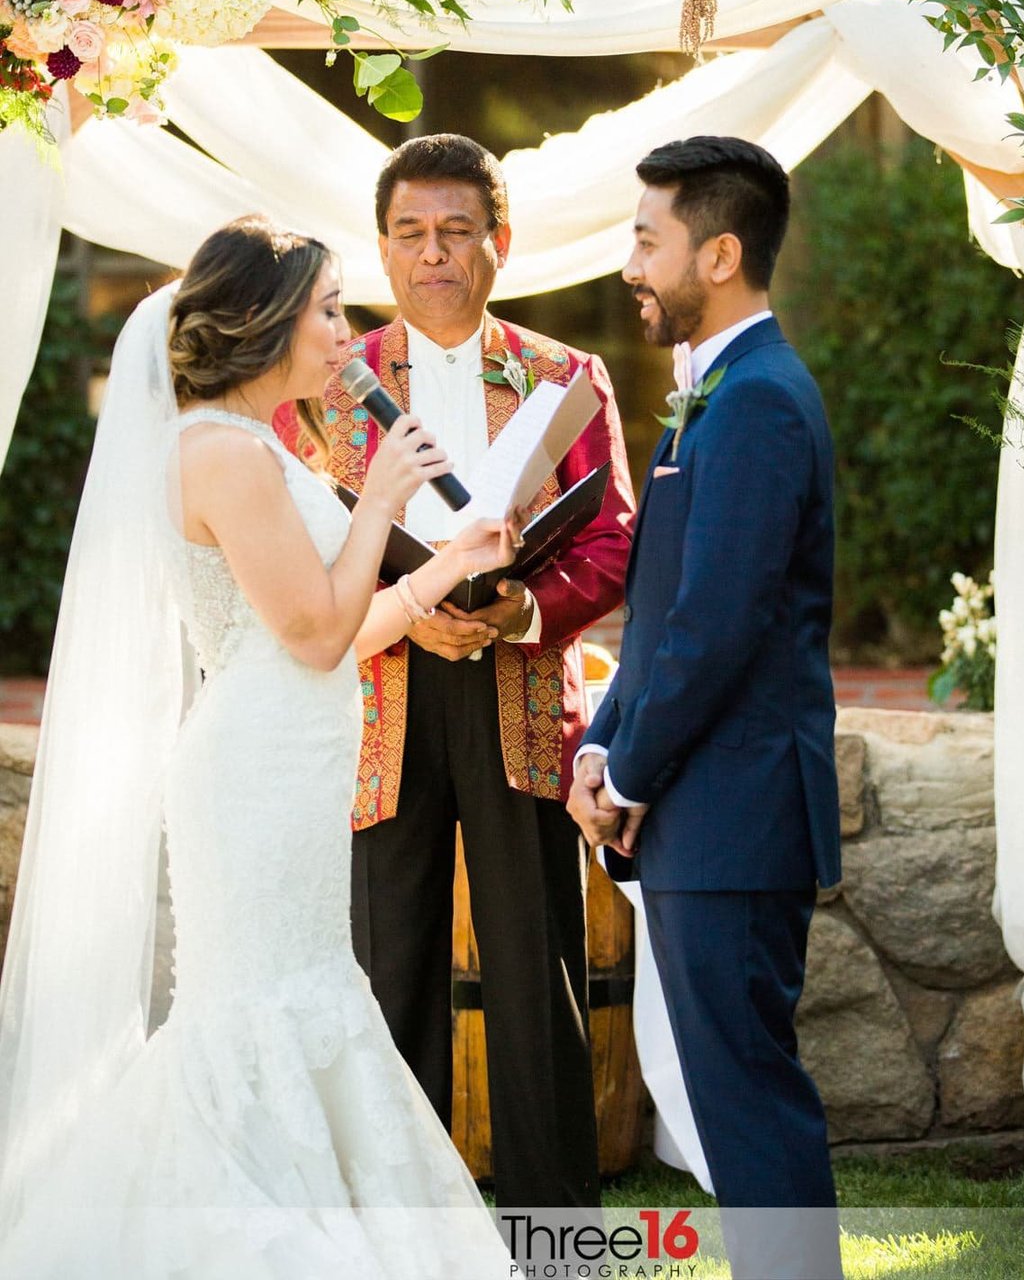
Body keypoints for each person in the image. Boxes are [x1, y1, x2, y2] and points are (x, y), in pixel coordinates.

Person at [0, 216, 515, 1278]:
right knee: (251, 1010)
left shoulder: (267, 444)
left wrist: (444, 560)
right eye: (328, 307)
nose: (345, 331)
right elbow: (315, 631)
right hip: (251, 775)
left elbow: (336, 634)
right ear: (263, 319)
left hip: (299, 755)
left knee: (304, 993)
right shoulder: (220, 454)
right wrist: (380, 498)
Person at [286, 133, 636, 1210]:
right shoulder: (325, 385)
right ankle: (405, 1226)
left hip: (520, 686)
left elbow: (614, 538)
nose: (433, 252)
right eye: (410, 233)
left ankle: (554, 1227)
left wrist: (527, 608)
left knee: (538, 966)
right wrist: (404, 617)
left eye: (456, 230)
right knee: (387, 966)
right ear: (384, 250)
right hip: (381, 689)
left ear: (500, 240)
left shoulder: (564, 375)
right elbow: (295, 535)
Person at [568, 136, 844, 1280]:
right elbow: (665, 606)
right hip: (702, 809)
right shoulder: (713, 396)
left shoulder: (764, 402)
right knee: (736, 1096)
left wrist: (630, 778)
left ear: (717, 253)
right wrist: (602, 744)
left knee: (750, 1099)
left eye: (647, 239)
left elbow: (721, 628)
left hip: (735, 814)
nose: (630, 262)